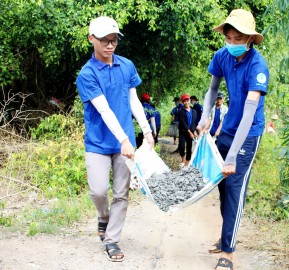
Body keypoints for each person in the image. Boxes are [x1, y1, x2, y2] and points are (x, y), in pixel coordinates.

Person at [76, 16, 154, 263]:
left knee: (121, 193)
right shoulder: (87, 74)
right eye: (104, 40)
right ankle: (103, 216)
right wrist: (122, 139)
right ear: (91, 39)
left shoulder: (127, 66)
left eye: (114, 40)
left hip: (126, 144)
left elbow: (134, 101)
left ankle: (111, 240)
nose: (110, 45)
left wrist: (147, 131)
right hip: (99, 143)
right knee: (99, 191)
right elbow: (103, 110)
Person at [196, 9, 269, 270]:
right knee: (223, 188)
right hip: (227, 130)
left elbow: (250, 112)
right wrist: (205, 116)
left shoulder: (258, 66)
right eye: (229, 38)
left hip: (248, 135)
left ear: (249, 39)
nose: (232, 44)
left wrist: (231, 156)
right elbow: (212, 89)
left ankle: (228, 253)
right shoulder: (222, 56)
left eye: (238, 39)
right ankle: (226, 235)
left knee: (235, 190)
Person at [178, 94, 197, 168]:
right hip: (183, 132)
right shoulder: (181, 111)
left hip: (191, 132)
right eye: (184, 101)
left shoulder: (194, 111)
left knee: (189, 147)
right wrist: (189, 132)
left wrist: (194, 131)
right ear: (183, 102)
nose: (186, 102)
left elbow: (194, 122)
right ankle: (183, 160)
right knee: (182, 146)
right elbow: (183, 122)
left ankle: (187, 163)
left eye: (187, 100)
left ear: (190, 101)